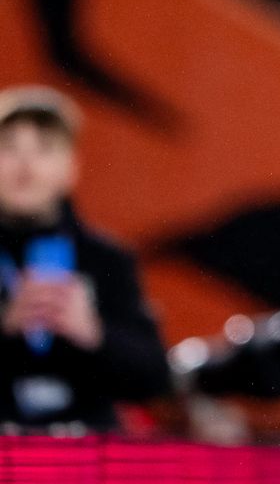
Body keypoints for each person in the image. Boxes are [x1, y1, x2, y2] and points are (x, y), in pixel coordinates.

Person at [0, 85, 171, 431]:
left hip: (87, 457)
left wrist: (95, 333)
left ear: (70, 167)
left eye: (44, 148)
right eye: (9, 147)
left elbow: (155, 378)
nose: (26, 164)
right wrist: (5, 326)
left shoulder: (107, 258)